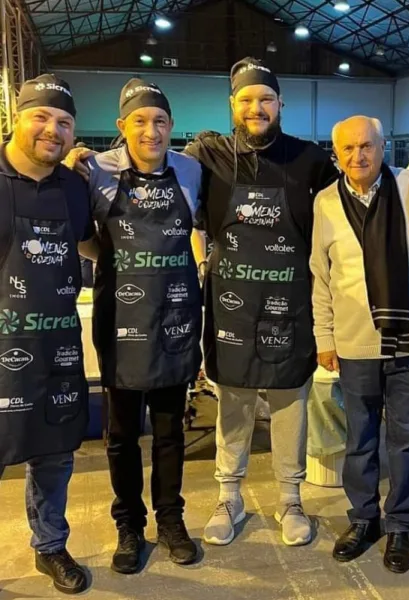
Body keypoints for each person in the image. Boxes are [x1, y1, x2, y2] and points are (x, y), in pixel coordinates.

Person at [182, 58, 337, 547]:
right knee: (234, 402)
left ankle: (291, 500)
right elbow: (156, 173)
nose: (257, 107)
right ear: (232, 105)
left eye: (265, 99)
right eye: (246, 100)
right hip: (232, 307)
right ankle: (229, 496)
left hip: (290, 307)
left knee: (291, 401)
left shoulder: (309, 159)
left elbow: (348, 209)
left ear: (280, 104)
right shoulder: (209, 158)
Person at [77, 79, 204, 574]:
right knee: (122, 434)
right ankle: (128, 525)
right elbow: (84, 237)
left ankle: (171, 520)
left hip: (174, 319)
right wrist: (106, 257)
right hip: (121, 320)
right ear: (121, 127)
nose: (151, 131)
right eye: (140, 121)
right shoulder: (96, 171)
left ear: (172, 126)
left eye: (160, 121)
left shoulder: (192, 169)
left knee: (171, 432)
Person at [310, 115, 409, 573]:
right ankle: (364, 518)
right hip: (354, 342)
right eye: (348, 149)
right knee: (360, 441)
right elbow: (320, 278)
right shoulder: (325, 202)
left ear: (384, 147)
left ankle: (400, 522)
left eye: (366, 146)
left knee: (405, 440)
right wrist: (324, 336)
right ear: (336, 154)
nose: (358, 157)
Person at [0, 74, 91, 594]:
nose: (51, 130)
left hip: (55, 344)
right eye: (41, 116)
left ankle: (50, 545)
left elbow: (86, 245)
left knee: (54, 454)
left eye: (63, 122)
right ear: (17, 116)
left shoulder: (73, 188)